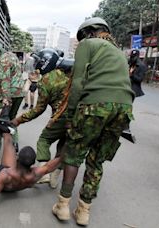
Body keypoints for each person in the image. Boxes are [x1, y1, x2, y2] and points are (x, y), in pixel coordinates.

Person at [51, 17, 134, 226]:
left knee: (74, 153)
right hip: (123, 109)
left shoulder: (88, 44)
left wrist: (70, 116)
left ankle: (62, 206)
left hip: (95, 105)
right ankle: (83, 212)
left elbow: (78, 83)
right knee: (97, 160)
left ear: (89, 32)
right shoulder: (119, 53)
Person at [12, 48, 73, 188]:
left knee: (44, 140)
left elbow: (39, 109)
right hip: (76, 118)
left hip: (60, 117)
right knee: (63, 145)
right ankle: (55, 177)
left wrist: (19, 120)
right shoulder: (70, 74)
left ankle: (43, 174)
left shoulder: (45, 81)